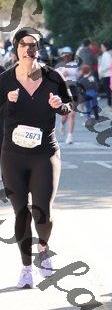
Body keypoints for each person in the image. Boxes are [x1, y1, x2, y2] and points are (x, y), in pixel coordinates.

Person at [0, 28, 73, 289]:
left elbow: (69, 105)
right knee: (21, 212)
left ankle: (43, 249)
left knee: (42, 212)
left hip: (45, 154)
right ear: (16, 49)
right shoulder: (5, 80)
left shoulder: (53, 77)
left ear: (38, 49)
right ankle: (26, 269)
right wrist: (7, 103)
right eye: (23, 45)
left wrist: (59, 105)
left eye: (32, 45)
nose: (28, 49)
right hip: (13, 156)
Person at [55, 47, 80, 144]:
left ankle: (70, 136)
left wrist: (65, 73)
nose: (66, 56)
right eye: (65, 55)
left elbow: (76, 74)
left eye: (68, 55)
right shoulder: (59, 66)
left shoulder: (74, 64)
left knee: (72, 114)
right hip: (63, 91)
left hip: (73, 90)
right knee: (65, 114)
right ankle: (62, 124)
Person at [98, 41, 112, 107]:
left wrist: (101, 70)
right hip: (105, 74)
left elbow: (108, 65)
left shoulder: (107, 55)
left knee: (108, 90)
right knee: (107, 90)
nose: (101, 48)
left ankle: (110, 103)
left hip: (107, 74)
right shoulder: (105, 54)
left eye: (102, 47)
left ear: (105, 47)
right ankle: (109, 103)